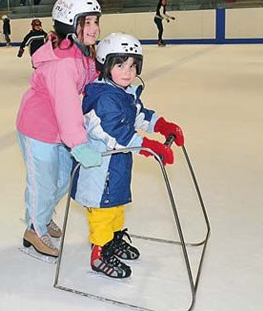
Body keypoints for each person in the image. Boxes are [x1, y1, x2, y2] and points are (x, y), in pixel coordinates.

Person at [72, 32, 184, 279]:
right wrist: (150, 146)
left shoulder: (125, 92)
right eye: (120, 65)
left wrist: (162, 125)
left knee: (117, 207)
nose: (128, 71)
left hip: (118, 164)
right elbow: (116, 133)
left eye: (133, 66)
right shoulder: (101, 97)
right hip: (100, 169)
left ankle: (112, 240)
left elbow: (139, 115)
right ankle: (99, 252)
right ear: (104, 65)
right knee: (103, 212)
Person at [16, 0, 105, 259]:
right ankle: (34, 229)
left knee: (63, 179)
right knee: (42, 182)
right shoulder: (63, 64)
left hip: (60, 131)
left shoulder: (80, 52)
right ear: (70, 24)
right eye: (86, 22)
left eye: (96, 21)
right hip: (39, 128)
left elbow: (90, 85)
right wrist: (79, 144)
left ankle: (40, 216)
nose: (94, 28)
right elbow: (67, 106)